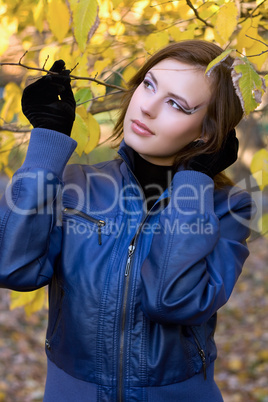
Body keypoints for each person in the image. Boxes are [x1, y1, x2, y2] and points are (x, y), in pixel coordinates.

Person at [0, 40, 255, 401]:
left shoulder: (227, 208)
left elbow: (172, 301)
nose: (147, 107)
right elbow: (11, 267)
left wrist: (192, 185)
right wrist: (48, 144)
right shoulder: (76, 185)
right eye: (148, 85)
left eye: (175, 104)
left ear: (206, 132)